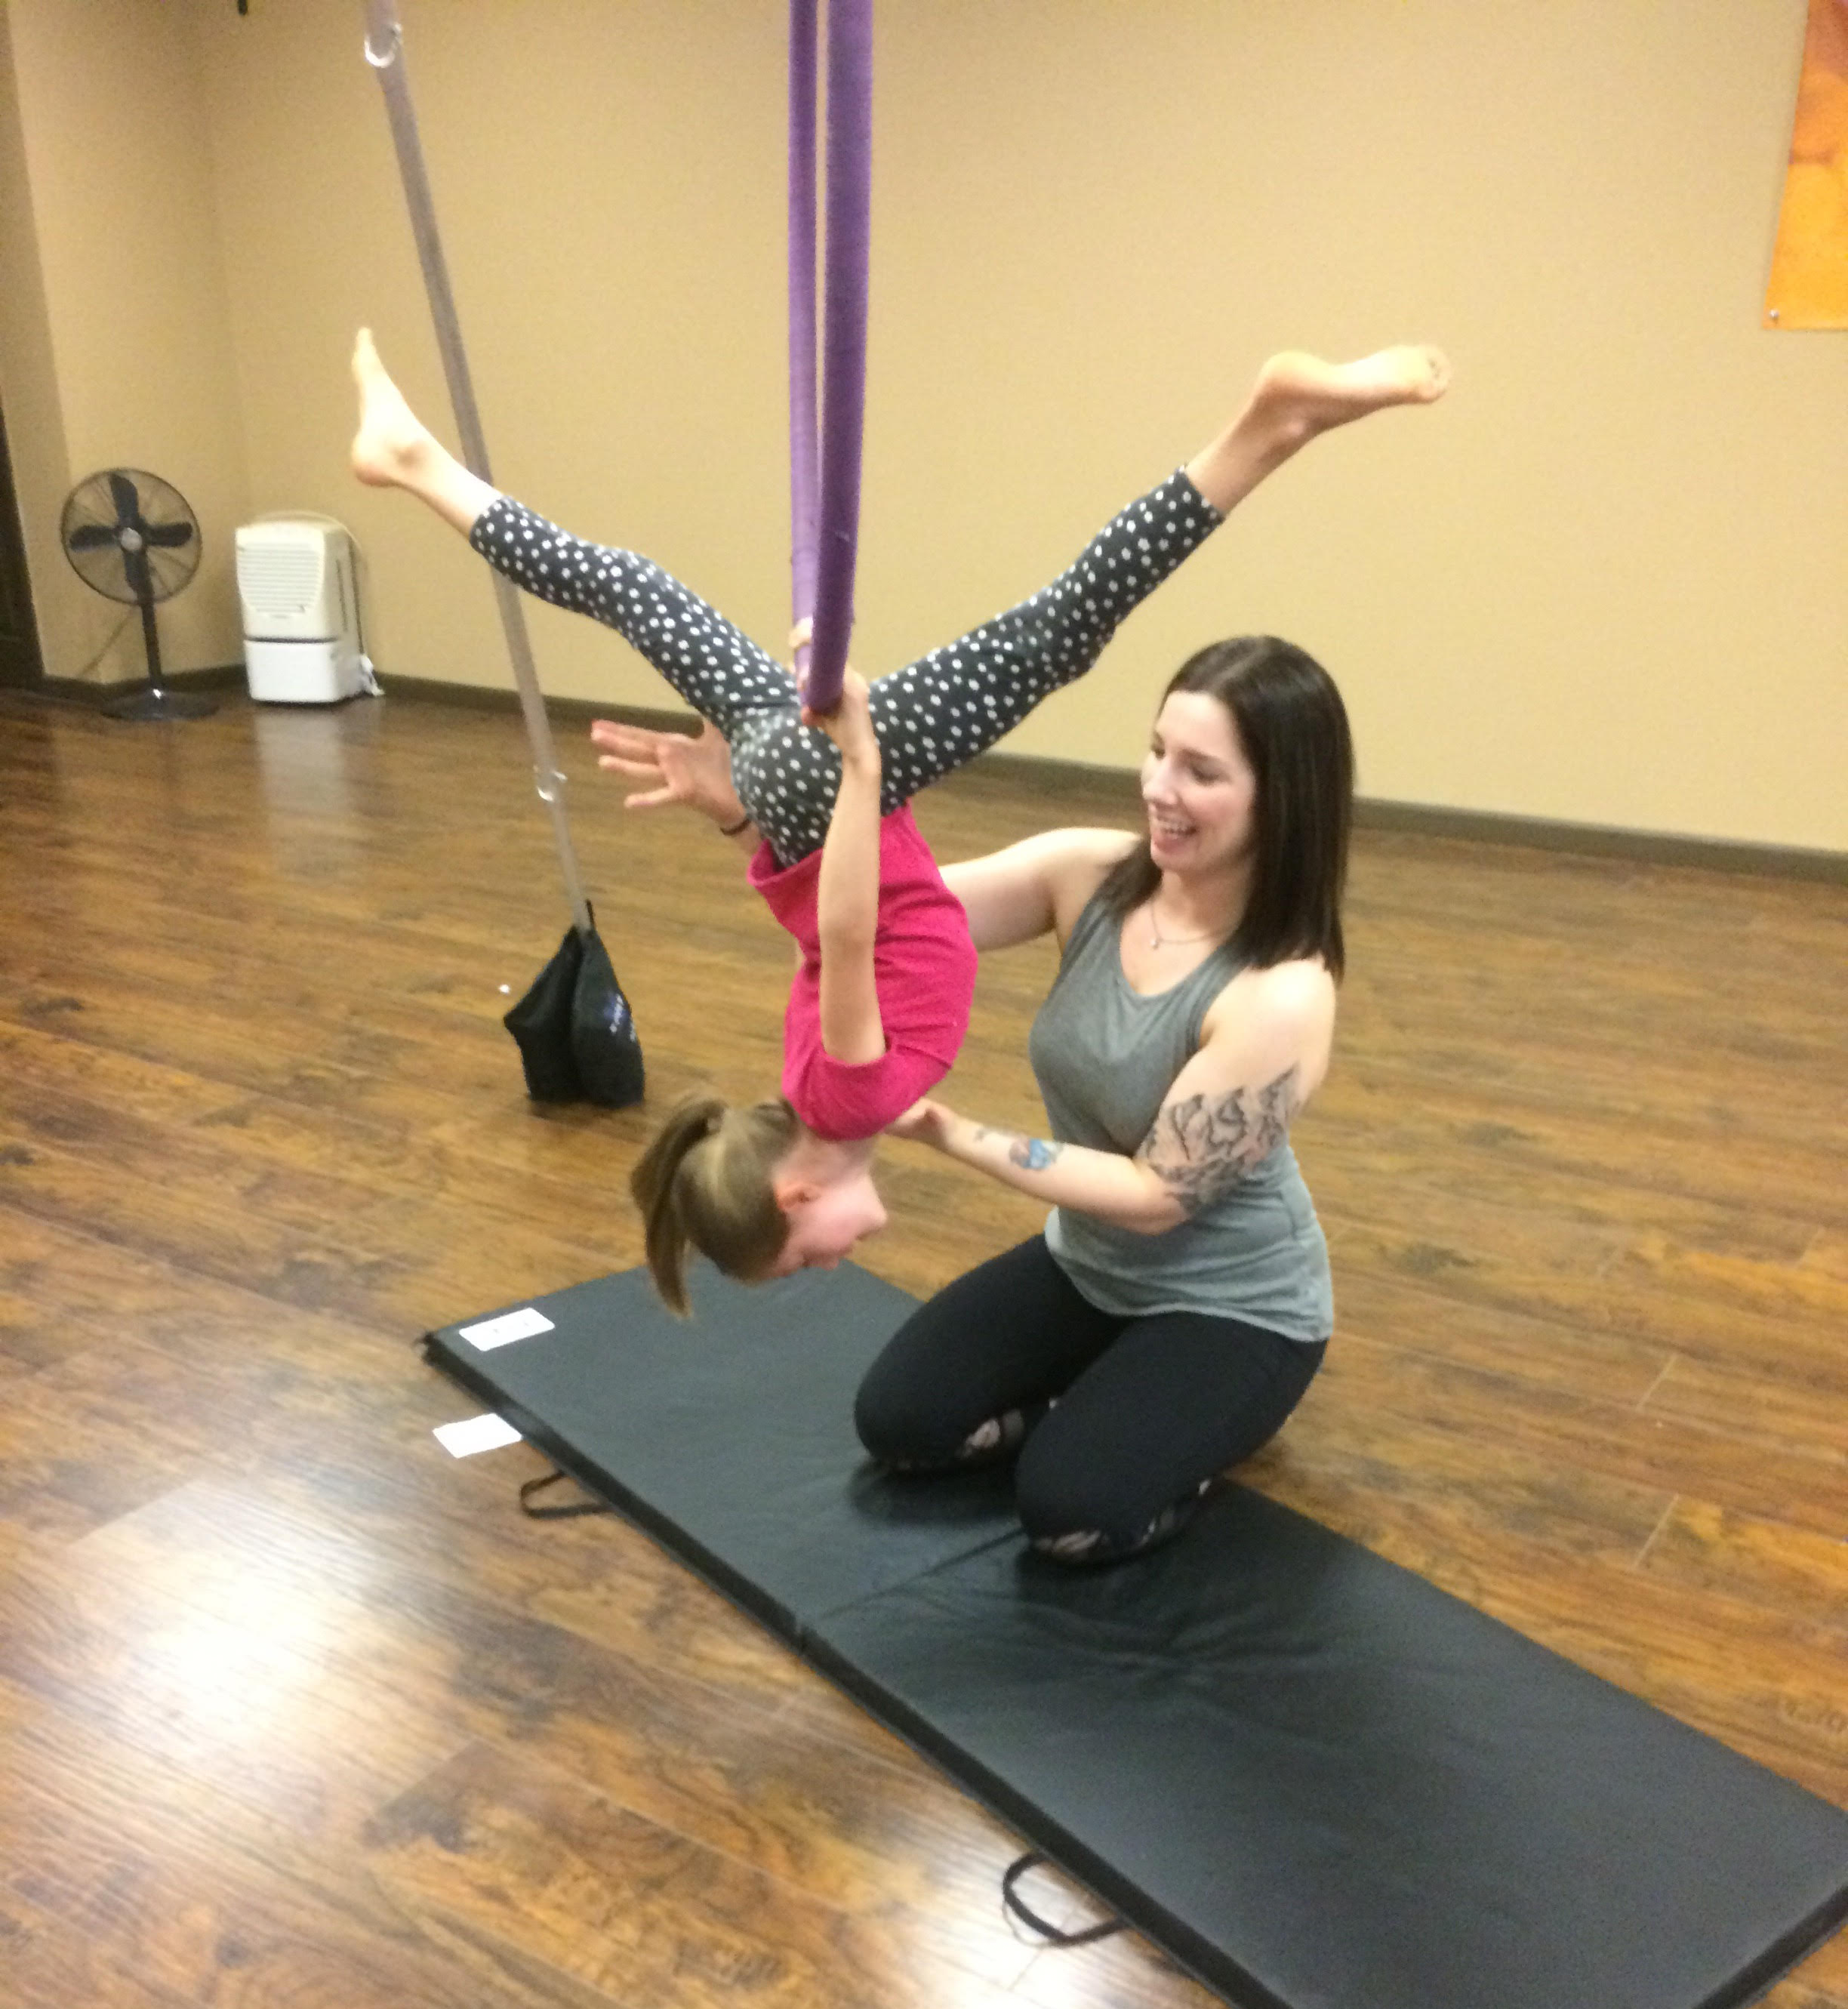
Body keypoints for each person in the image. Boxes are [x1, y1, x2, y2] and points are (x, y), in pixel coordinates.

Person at [351, 331, 1446, 1346]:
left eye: (801, 1263)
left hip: (828, 798)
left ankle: (1266, 429)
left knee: (1056, 633)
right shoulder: (794, 1089)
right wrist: (742, 813)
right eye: (1162, 754)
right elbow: (833, 938)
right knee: (644, 596)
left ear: (798, 1197)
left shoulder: (857, 1097)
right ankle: (417, 463)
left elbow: (844, 921)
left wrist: (862, 773)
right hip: (795, 815)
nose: (829, 1267)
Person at [595, 353, 1449, 1561]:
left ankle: (1164, 1428)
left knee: (1072, 1514)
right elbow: (880, 920)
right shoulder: (1087, 873)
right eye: (1159, 752)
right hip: (1085, 1265)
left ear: (1284, 800)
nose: (1161, 790)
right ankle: (1106, 1398)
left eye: (1203, 773)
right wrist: (747, 814)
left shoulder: (1280, 996)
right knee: (901, 1425)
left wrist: (949, 1131)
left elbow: (1159, 1201)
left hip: (1229, 1302)